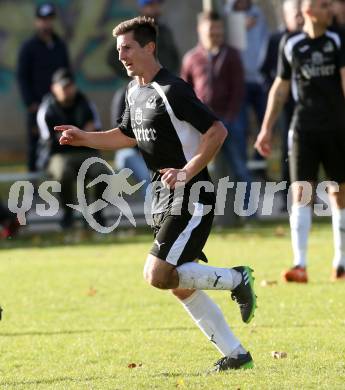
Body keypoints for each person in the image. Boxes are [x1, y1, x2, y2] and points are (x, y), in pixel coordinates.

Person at [56, 16, 257, 371]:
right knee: (178, 283)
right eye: (118, 50)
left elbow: (217, 131)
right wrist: (83, 137)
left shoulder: (173, 89)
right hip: (162, 198)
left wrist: (187, 171)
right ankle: (235, 354)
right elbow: (126, 135)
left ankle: (236, 278)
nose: (122, 56)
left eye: (128, 48)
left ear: (150, 47)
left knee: (157, 274)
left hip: (192, 195)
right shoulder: (135, 91)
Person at [255, 0, 345, 282]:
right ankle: (300, 264)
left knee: (339, 193)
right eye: (324, 5)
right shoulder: (290, 44)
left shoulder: (337, 41)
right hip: (303, 129)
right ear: (308, 11)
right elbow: (280, 87)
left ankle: (341, 262)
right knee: (300, 193)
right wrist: (266, 128)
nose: (329, 10)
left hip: (337, 128)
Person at [180, 11, 252, 209]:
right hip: (201, 124)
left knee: (240, 167)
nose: (216, 33)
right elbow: (184, 92)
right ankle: (199, 209)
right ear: (200, 30)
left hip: (230, 121)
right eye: (212, 28)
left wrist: (229, 117)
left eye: (219, 28)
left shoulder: (232, 55)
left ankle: (247, 212)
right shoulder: (191, 58)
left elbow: (238, 90)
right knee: (197, 167)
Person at [37, 68, 107, 229]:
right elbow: (49, 140)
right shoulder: (47, 108)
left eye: (69, 86)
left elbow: (95, 130)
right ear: (54, 88)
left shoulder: (86, 103)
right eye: (62, 86)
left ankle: (97, 213)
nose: (66, 90)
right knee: (63, 173)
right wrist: (80, 133)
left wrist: (78, 135)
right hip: (59, 154)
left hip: (86, 151)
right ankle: (68, 214)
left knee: (102, 171)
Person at [17, 2, 70, 173]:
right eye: (42, 19)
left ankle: (58, 185)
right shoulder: (28, 47)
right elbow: (22, 76)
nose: (46, 23)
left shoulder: (60, 45)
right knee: (36, 146)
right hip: (37, 106)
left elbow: (67, 73)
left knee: (60, 144)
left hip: (58, 106)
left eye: (49, 19)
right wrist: (30, 102)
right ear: (36, 22)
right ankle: (33, 188)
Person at [261, 0, 304, 211]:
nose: (299, 17)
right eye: (294, 13)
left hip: (310, 105)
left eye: (300, 12)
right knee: (289, 151)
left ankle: (313, 196)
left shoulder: (314, 38)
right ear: (286, 16)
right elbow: (266, 73)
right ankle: (288, 197)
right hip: (287, 106)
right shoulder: (277, 40)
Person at [230, 0, 270, 180]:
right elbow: (229, 45)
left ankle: (259, 164)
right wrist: (240, 26)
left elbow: (265, 41)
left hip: (259, 79)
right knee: (242, 127)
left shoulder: (258, 13)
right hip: (238, 81)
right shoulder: (226, 14)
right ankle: (243, 169)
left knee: (267, 122)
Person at [106, 0, 180, 76]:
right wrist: (133, 73)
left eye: (157, 4)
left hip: (164, 81)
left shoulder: (164, 31)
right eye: (151, 5)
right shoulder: (133, 31)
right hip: (143, 82)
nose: (155, 8)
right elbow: (113, 58)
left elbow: (174, 57)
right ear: (143, 8)